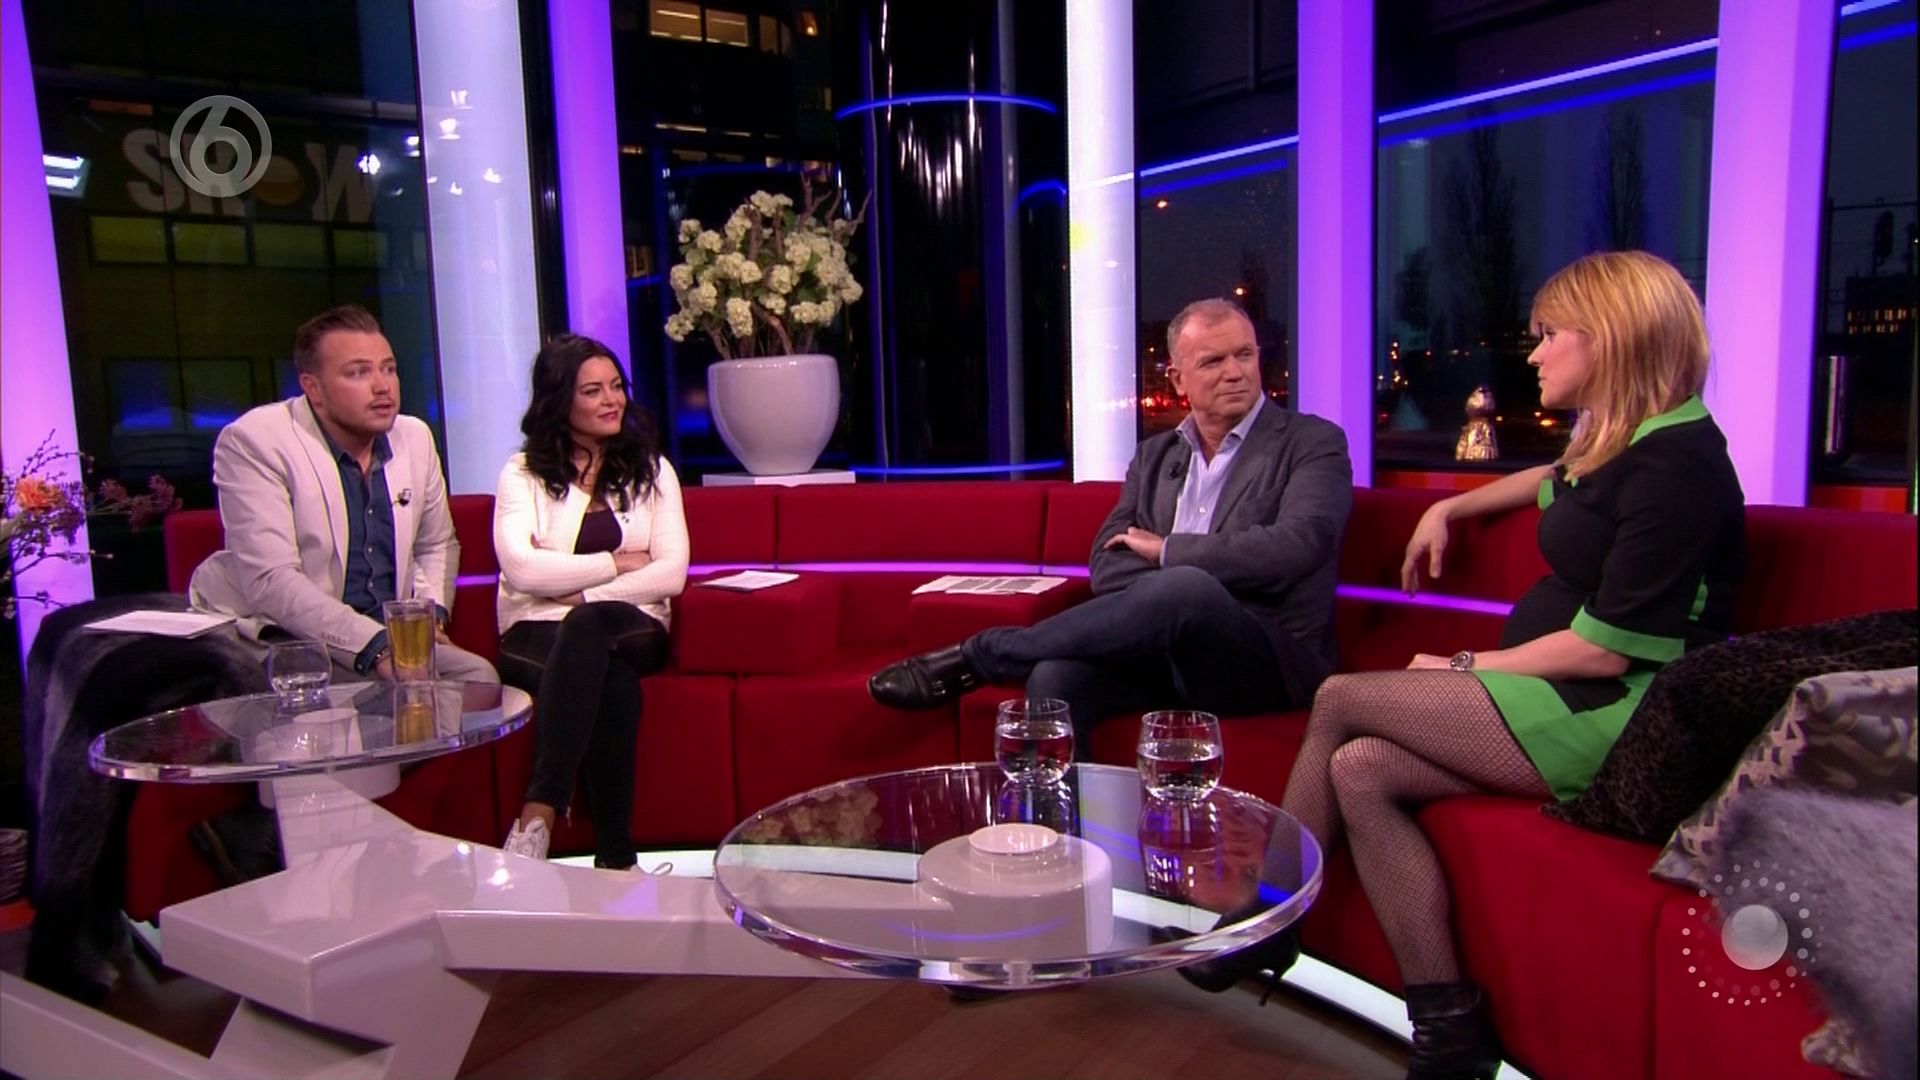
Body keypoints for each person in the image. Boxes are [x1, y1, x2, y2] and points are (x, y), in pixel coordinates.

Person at [1174, 251, 1745, 1080]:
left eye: (1550, 335)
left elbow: (1607, 646)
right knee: (1362, 770)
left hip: (1624, 714)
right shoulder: (1627, 443)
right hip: (1567, 696)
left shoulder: (1679, 464)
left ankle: (1269, 914)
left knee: (1340, 698)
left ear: (1611, 337)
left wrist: (1467, 665)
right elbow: (1560, 479)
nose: (1535, 354)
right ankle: (1449, 1027)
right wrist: (1449, 505)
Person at [868, 298, 1352, 755]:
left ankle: (985, 653)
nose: (1234, 372)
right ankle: (1061, 813)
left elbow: (1298, 546)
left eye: (1244, 355)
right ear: (1178, 379)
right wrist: (1170, 594)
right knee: (1054, 678)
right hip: (1159, 653)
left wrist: (1166, 552)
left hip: (1263, 660)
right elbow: (1107, 565)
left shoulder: (1312, 442)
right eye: (1213, 361)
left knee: (1186, 587)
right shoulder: (1155, 456)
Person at [191, 304, 496, 685]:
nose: (382, 386)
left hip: (391, 633)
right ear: (313, 389)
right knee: (360, 697)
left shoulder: (415, 437)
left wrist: (427, 619)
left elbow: (435, 543)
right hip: (292, 637)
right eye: (358, 373)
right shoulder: (256, 442)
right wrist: (377, 647)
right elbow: (272, 579)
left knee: (478, 678)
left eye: (389, 369)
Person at [492, 334, 687, 868]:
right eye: (593, 391)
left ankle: (538, 814)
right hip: (536, 627)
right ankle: (617, 862)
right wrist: (616, 564)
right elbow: (522, 568)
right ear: (559, 400)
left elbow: (671, 573)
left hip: (632, 623)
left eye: (616, 386)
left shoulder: (652, 470)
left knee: (587, 624)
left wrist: (580, 590)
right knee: (612, 681)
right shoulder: (522, 473)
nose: (611, 400)